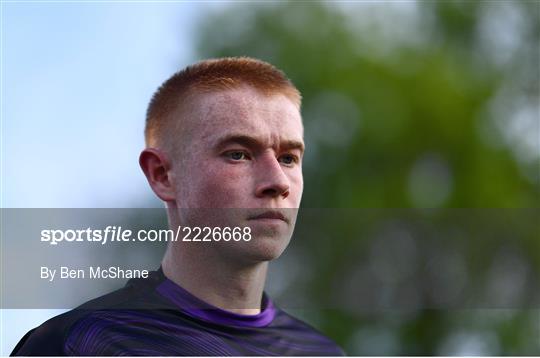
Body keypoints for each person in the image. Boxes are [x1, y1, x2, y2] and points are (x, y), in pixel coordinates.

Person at [11, 57, 345, 356]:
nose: (278, 182)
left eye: (289, 158)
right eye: (238, 154)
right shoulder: (80, 344)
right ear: (162, 175)